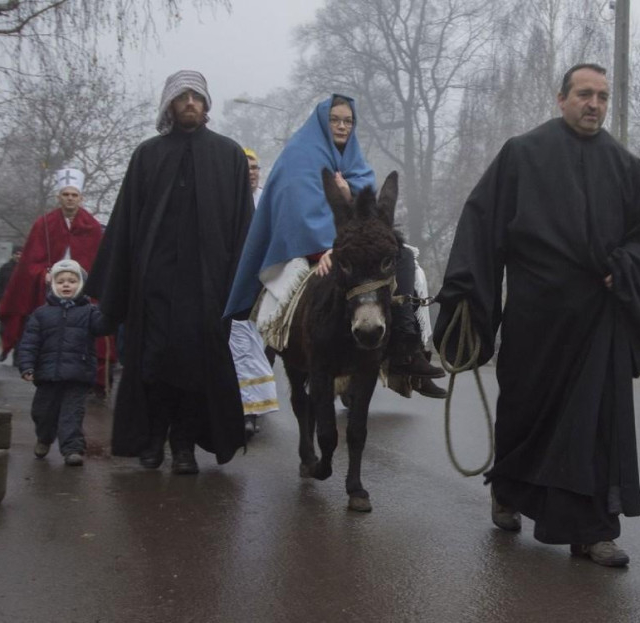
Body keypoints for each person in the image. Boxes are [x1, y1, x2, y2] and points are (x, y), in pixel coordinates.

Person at [433, 63, 640, 567]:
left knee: (595, 428)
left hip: (597, 324)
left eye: (602, 96)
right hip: (534, 319)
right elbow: (482, 228)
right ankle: (508, 491)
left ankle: (593, 532)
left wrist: (625, 267)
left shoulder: (627, 167)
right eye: (584, 94)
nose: (594, 104)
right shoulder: (522, 154)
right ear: (561, 99)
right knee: (524, 414)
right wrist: (468, 298)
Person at [85, 70, 253, 475]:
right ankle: (153, 438)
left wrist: (240, 289)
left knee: (197, 369)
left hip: (207, 287)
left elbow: (243, 228)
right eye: (182, 97)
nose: (190, 103)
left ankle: (184, 446)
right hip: (154, 285)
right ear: (170, 105)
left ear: (206, 104)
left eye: (197, 96)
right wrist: (116, 291)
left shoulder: (228, 155)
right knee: (153, 365)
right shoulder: (148, 155)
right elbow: (125, 223)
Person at [225, 94, 445, 385]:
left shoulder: (354, 160)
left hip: (350, 246)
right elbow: (296, 211)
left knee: (404, 259)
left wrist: (347, 195)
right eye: (335, 120)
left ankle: (407, 349)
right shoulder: (298, 156)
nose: (342, 126)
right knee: (296, 296)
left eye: (348, 121)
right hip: (306, 248)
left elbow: (367, 214)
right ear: (322, 122)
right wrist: (327, 247)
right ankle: (283, 344)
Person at [0, 170, 115, 391]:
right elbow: (29, 262)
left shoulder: (91, 226)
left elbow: (99, 262)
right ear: (58, 197)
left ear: (80, 198)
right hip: (50, 292)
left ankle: (89, 380)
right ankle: (47, 377)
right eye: (66, 194)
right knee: (49, 334)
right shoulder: (44, 224)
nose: (70, 198)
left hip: (83, 292)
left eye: (74, 195)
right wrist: (43, 274)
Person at [16, 260, 113, 466]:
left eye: (72, 281)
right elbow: (29, 343)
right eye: (61, 282)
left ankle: (72, 449)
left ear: (81, 285)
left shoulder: (90, 312)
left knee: (72, 414)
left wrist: (110, 309)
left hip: (78, 374)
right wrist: (26, 365)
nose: (66, 285)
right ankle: (44, 437)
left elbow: (103, 327)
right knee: (42, 413)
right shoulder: (41, 314)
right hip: (47, 375)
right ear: (53, 285)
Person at [229, 147, 280, 440]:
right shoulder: (227, 200)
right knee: (238, 347)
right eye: (246, 167)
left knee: (261, 346)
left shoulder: (269, 201)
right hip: (234, 286)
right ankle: (244, 409)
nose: (251, 172)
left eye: (255, 167)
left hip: (265, 284)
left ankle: (256, 405)